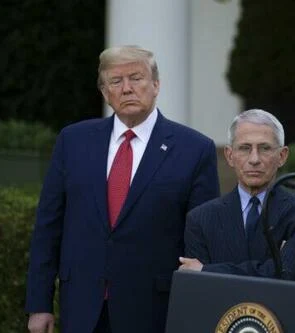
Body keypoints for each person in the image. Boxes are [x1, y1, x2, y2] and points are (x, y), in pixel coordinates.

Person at [25, 45, 220, 333]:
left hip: (153, 310)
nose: (127, 89)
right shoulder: (73, 141)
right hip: (81, 307)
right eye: (116, 81)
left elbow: (202, 241)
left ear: (156, 85)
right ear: (105, 92)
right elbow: (48, 227)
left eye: (136, 78)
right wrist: (39, 304)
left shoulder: (195, 149)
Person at [179, 109, 295, 281]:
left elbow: (290, 274)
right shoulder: (201, 219)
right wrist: (272, 267)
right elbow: (199, 290)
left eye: (265, 148)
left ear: (282, 156)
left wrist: (206, 270)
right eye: (245, 148)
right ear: (230, 155)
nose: (254, 159)